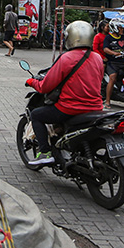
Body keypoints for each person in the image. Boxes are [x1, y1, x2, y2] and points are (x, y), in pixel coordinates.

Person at [24, 21, 104, 166]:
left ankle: (45, 153)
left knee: (36, 115)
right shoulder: (97, 58)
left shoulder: (66, 58)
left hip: (69, 108)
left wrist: (31, 82)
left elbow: (45, 87)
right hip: (95, 108)